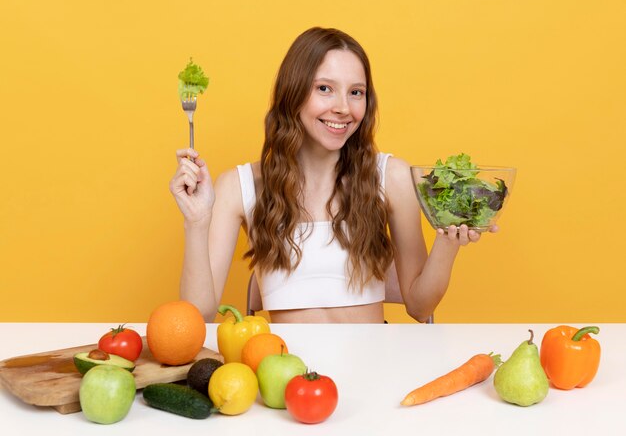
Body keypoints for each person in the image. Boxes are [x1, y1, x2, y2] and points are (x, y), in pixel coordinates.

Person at [169, 27, 496, 324]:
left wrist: (447, 238)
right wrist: (197, 222)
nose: (343, 107)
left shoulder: (391, 177)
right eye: (325, 88)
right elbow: (198, 315)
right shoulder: (238, 187)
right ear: (293, 93)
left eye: (356, 92)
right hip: (286, 373)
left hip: (376, 366)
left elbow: (420, 306)